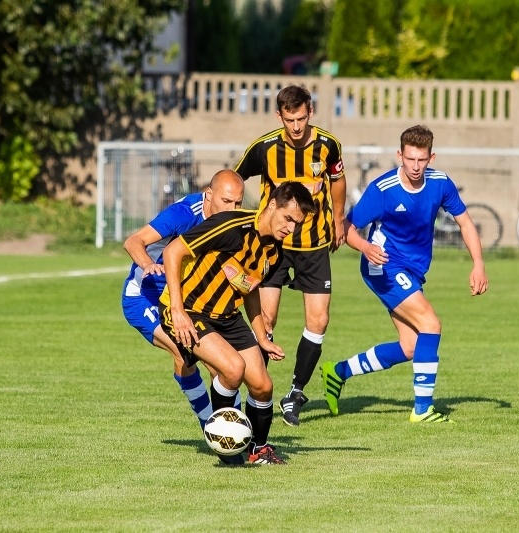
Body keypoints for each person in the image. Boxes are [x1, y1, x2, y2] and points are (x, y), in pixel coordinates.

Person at [320, 125, 488, 423]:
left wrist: (478, 264)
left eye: (421, 160)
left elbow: (465, 224)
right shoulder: (383, 190)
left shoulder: (440, 184)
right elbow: (345, 227)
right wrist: (364, 248)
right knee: (431, 324)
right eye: (409, 159)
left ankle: (338, 371)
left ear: (431, 157)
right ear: (400, 155)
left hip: (413, 269)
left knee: (411, 346)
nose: (414, 166)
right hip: (382, 264)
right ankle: (422, 410)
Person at [159, 181, 315, 465]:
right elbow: (173, 252)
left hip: (228, 317)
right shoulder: (232, 225)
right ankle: (224, 445)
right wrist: (177, 310)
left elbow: (250, 288)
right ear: (271, 206)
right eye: (288, 219)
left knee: (263, 385)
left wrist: (262, 336)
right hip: (191, 311)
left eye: (297, 224)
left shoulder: (273, 252)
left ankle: (258, 449)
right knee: (233, 369)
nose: (291, 229)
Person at [234, 84, 347, 427]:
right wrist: (238, 222)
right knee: (265, 321)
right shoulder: (265, 148)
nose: (296, 127)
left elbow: (338, 180)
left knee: (319, 321)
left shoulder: (328, 144)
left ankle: (295, 393)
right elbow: (233, 180)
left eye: (300, 118)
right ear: (278, 116)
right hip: (274, 247)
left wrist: (339, 218)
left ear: (310, 112)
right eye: (289, 120)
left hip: (314, 247)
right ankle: (257, 394)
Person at [122, 169, 245, 430]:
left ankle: (235, 430)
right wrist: (147, 265)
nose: (232, 209)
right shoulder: (184, 214)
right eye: (226, 202)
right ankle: (211, 427)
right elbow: (133, 241)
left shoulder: (231, 224)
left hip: (186, 299)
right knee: (183, 350)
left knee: (221, 365)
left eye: (238, 203)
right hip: (146, 297)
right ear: (209, 195)